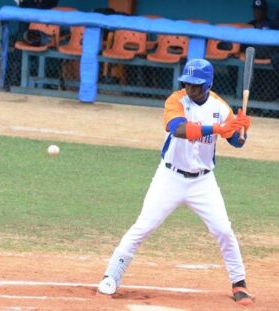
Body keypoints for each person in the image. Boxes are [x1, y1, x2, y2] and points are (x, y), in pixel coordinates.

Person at [97, 59, 255, 306]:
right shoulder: (176, 100)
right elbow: (178, 129)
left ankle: (239, 283)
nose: (190, 89)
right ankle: (111, 276)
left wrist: (241, 129)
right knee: (143, 226)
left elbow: (236, 141)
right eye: (187, 84)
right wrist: (218, 127)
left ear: (208, 84)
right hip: (169, 177)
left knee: (224, 230)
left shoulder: (220, 107)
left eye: (196, 85)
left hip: (203, 182)